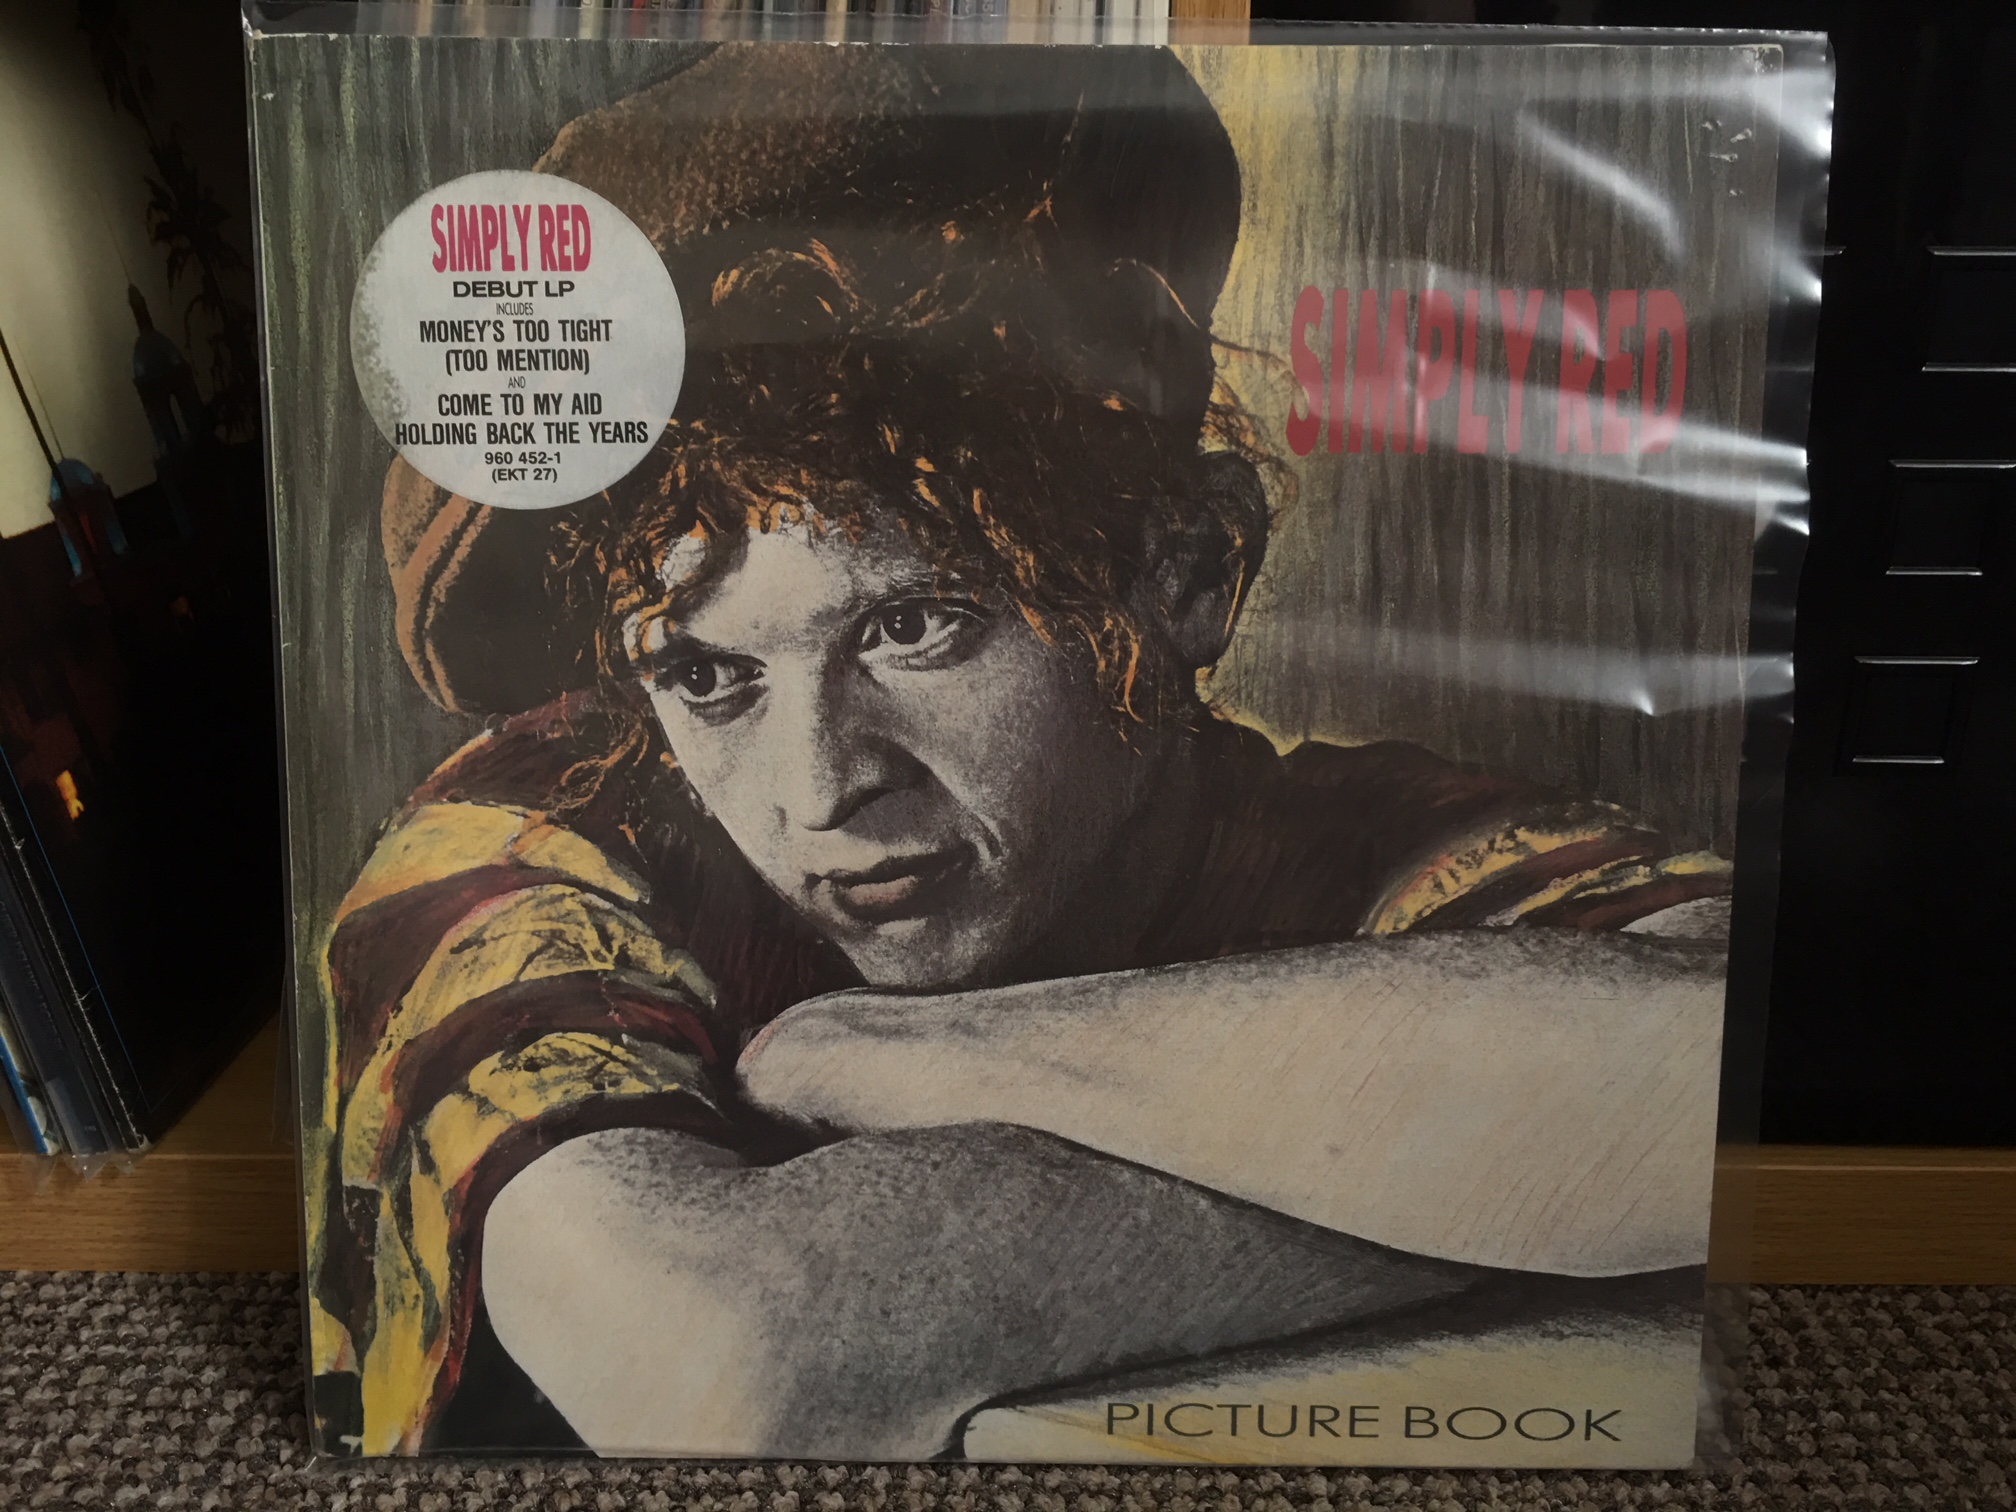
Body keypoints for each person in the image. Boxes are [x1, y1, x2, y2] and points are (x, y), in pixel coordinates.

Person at [311, 44, 1734, 1458]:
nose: (821, 788)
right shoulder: (538, 836)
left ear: (1187, 570)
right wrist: (1495, 1178)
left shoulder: (1360, 839)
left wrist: (899, 1058)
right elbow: (727, 1358)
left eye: (913, 626)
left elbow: (1703, 1086)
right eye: (705, 674)